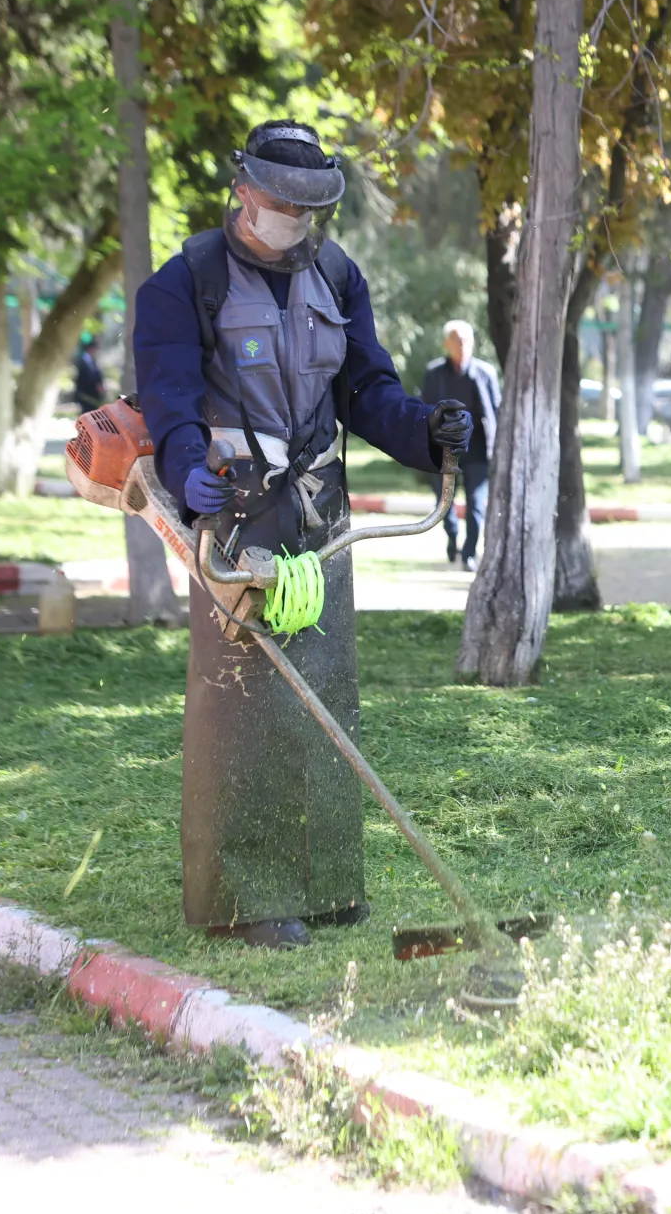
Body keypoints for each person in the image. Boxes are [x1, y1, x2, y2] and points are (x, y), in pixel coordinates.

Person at [134, 119, 473, 949]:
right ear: (245, 192)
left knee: (324, 691)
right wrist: (187, 473)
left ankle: (327, 888)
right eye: (286, 204)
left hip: (321, 511)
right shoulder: (185, 284)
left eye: (314, 208)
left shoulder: (336, 276)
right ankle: (247, 901)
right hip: (236, 511)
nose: (299, 222)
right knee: (246, 708)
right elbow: (171, 398)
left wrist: (430, 432)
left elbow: (368, 389)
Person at [421, 320, 498, 570]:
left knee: (476, 504)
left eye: (465, 339)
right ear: (447, 344)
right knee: (445, 501)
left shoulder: (485, 373)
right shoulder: (434, 373)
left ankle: (469, 553)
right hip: (444, 450)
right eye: (456, 339)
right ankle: (452, 535)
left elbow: (496, 411)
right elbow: (425, 411)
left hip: (477, 450)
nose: (461, 344)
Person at [72, 332, 107, 412]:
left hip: (92, 395)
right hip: (87, 394)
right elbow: (88, 377)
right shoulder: (84, 360)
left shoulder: (91, 361)